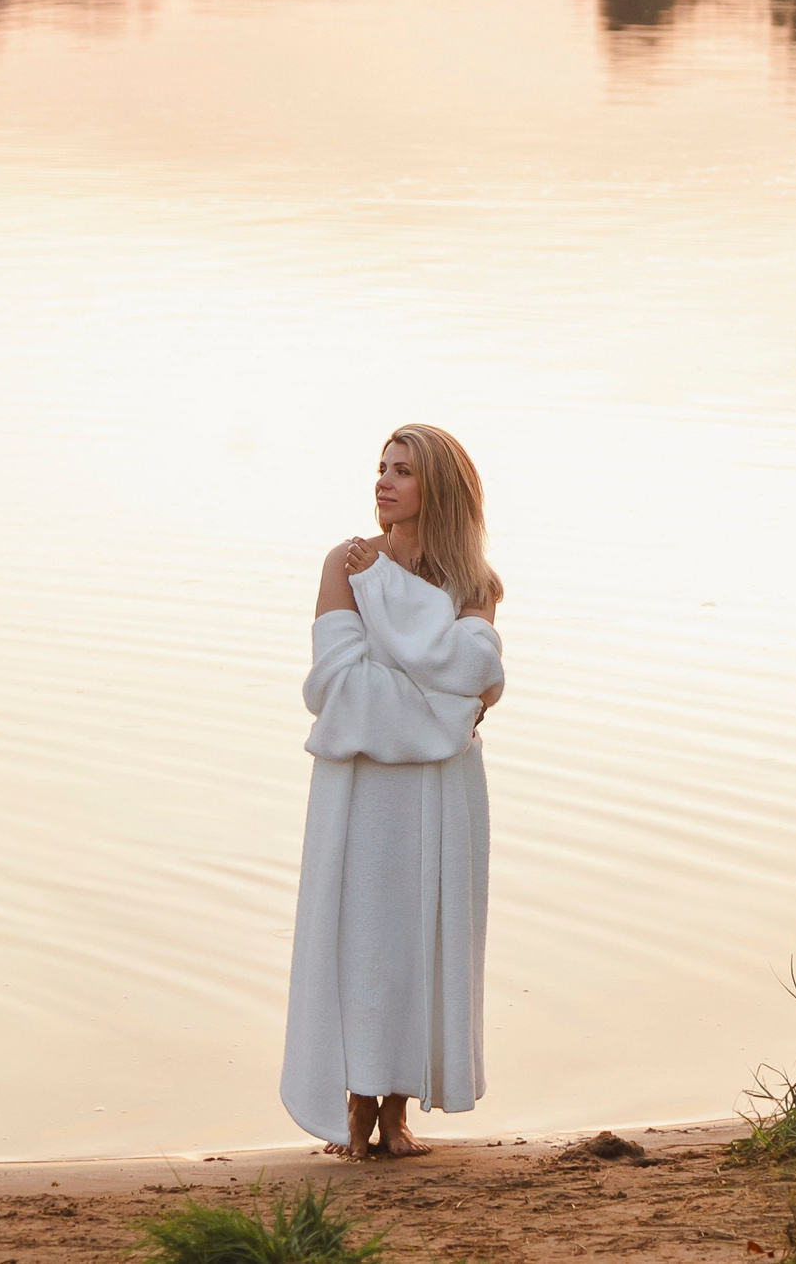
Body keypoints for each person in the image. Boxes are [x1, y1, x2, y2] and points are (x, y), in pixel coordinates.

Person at [280, 423, 505, 1159]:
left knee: (422, 936)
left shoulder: (472, 584)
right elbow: (335, 687)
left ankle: (396, 1112)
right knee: (363, 937)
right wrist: (438, 707)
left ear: (434, 488)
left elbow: (475, 681)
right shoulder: (348, 565)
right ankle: (353, 1106)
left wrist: (432, 695)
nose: (383, 481)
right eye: (381, 467)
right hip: (362, 785)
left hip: (441, 791)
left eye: (402, 471)